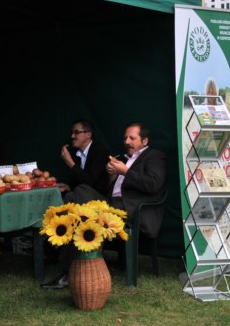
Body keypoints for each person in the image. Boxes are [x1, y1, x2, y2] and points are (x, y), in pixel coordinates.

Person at [42, 121, 166, 290]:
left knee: (83, 214)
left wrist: (125, 172)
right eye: (125, 138)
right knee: (77, 192)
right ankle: (63, 254)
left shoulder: (155, 156)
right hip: (111, 204)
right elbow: (112, 189)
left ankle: (67, 270)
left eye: (132, 138)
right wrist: (112, 177)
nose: (127, 142)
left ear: (144, 141)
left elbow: (153, 185)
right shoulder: (123, 158)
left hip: (131, 209)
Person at [56, 119, 111, 203]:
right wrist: (68, 187)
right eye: (72, 133)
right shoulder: (75, 153)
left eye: (76, 132)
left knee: (78, 192)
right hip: (82, 195)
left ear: (88, 134)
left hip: (99, 199)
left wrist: (70, 163)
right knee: (68, 195)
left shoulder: (100, 151)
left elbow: (90, 182)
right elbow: (79, 180)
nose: (72, 136)